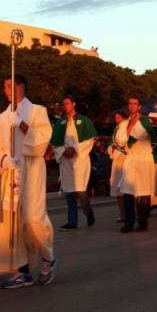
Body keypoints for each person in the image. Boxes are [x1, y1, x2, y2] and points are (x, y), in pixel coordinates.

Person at [0, 74, 56, 289]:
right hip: (11, 173)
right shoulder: (1, 118)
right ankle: (22, 271)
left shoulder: (38, 111)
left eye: (10, 85)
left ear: (22, 86)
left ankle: (48, 257)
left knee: (32, 219)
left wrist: (21, 124)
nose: (6, 90)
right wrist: (3, 158)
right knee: (13, 225)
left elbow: (43, 141)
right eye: (4, 86)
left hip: (32, 170)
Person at [113, 97, 157, 233]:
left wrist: (130, 131)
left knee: (144, 192)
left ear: (139, 106)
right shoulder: (124, 123)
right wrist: (131, 125)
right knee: (127, 191)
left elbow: (142, 134)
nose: (132, 106)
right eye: (130, 103)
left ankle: (143, 223)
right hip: (130, 157)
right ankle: (129, 223)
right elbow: (120, 141)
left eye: (134, 104)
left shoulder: (145, 121)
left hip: (144, 157)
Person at [51, 95, 98, 231]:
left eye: (67, 103)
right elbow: (55, 143)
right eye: (63, 104)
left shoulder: (84, 121)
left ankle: (88, 212)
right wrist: (63, 151)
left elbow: (91, 140)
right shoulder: (60, 123)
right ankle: (72, 221)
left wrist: (75, 148)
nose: (65, 106)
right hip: (66, 160)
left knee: (81, 190)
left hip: (80, 160)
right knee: (69, 191)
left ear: (73, 104)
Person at [107, 111, 128, 223]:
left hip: (126, 160)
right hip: (117, 161)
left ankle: (131, 214)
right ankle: (123, 215)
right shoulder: (116, 130)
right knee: (118, 190)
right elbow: (110, 143)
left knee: (128, 190)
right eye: (115, 118)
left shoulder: (127, 127)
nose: (117, 120)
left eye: (119, 117)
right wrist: (112, 148)